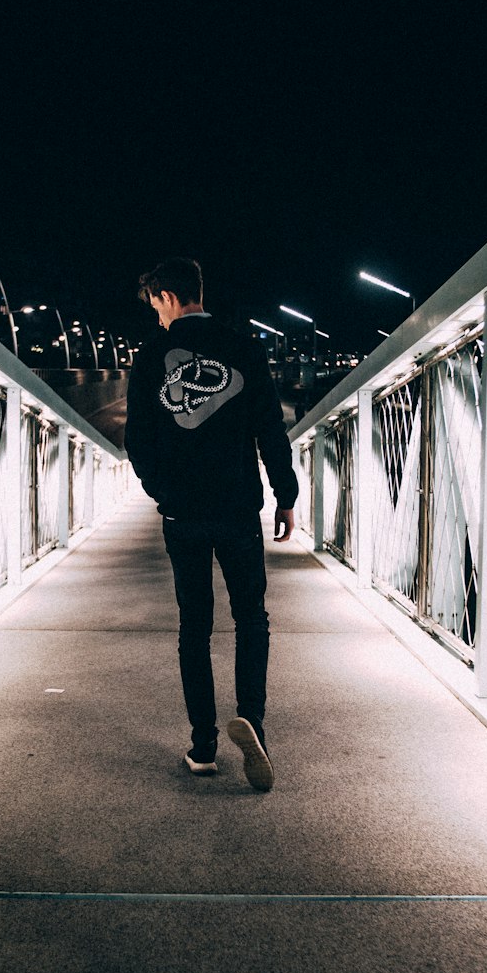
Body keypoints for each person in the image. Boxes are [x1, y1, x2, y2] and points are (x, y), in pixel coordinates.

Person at [125, 257, 298, 791]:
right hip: (238, 509)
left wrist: (165, 493)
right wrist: (284, 496)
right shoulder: (244, 348)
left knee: (194, 627)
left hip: (184, 515)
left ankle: (203, 746)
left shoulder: (153, 357)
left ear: (168, 298)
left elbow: (138, 442)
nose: (156, 317)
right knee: (252, 619)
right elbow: (270, 428)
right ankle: (254, 725)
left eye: (155, 305)